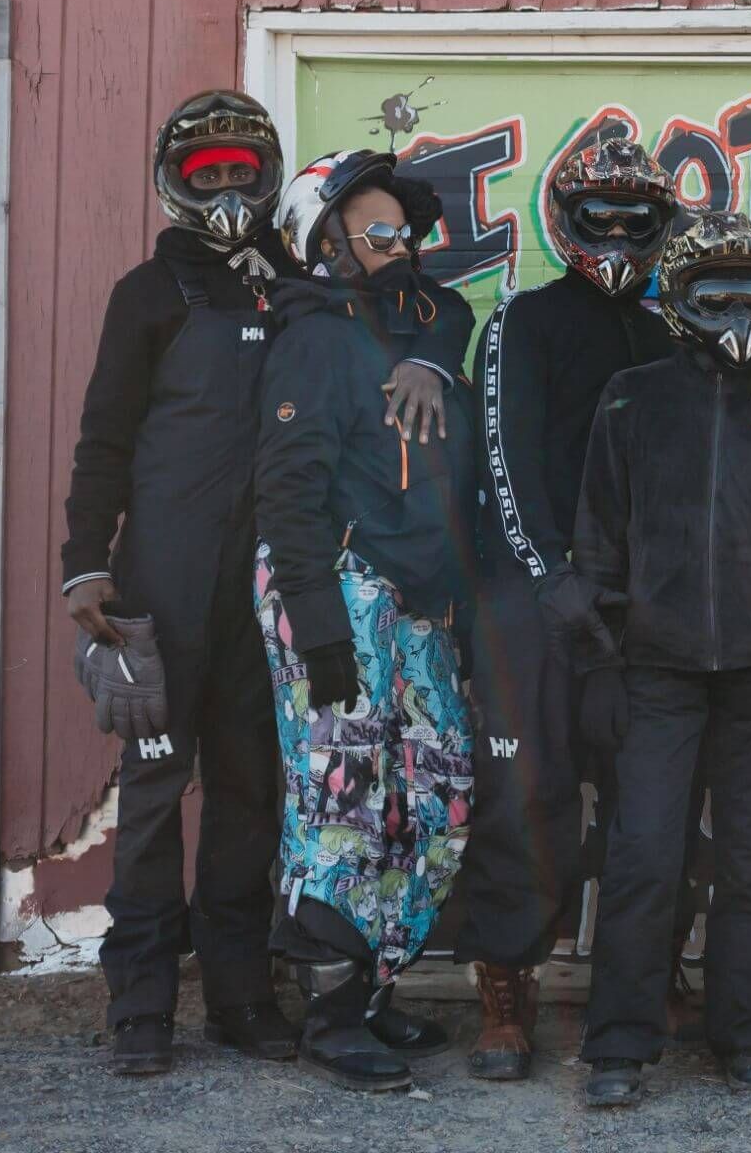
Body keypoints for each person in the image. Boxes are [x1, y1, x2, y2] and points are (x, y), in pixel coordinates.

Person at [59, 92, 455, 1076]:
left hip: (268, 596)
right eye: (210, 175)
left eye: (246, 171)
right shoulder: (146, 294)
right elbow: (104, 438)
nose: (231, 189)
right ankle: (141, 1002)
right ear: (177, 184)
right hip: (161, 586)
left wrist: (431, 365)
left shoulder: (302, 285)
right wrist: (85, 562)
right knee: (153, 793)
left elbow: (415, 324)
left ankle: (241, 992)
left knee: (254, 795)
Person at [567, 211, 751, 1107]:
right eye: (712, 292)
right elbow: (597, 548)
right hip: (655, 673)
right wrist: (600, 667)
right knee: (645, 856)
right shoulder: (629, 400)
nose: (734, 308)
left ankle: (747, 1036)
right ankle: (617, 1044)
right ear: (679, 302)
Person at [453, 137, 683, 1081]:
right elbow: (499, 457)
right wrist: (551, 575)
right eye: (602, 217)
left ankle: (639, 981)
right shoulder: (522, 321)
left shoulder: (672, 334)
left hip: (639, 609)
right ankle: (507, 985)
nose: (621, 233)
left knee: (648, 804)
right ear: (566, 220)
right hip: (528, 598)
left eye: (637, 219)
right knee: (527, 796)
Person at [254, 149, 478, 1092]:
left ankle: (379, 985)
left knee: (435, 793)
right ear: (325, 241)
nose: (401, 247)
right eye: (378, 232)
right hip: (335, 586)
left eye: (406, 232)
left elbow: (456, 306)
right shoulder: (313, 338)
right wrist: (320, 621)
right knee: (338, 799)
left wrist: (432, 352)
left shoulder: (417, 324)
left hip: (417, 598)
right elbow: (287, 486)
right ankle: (331, 1007)